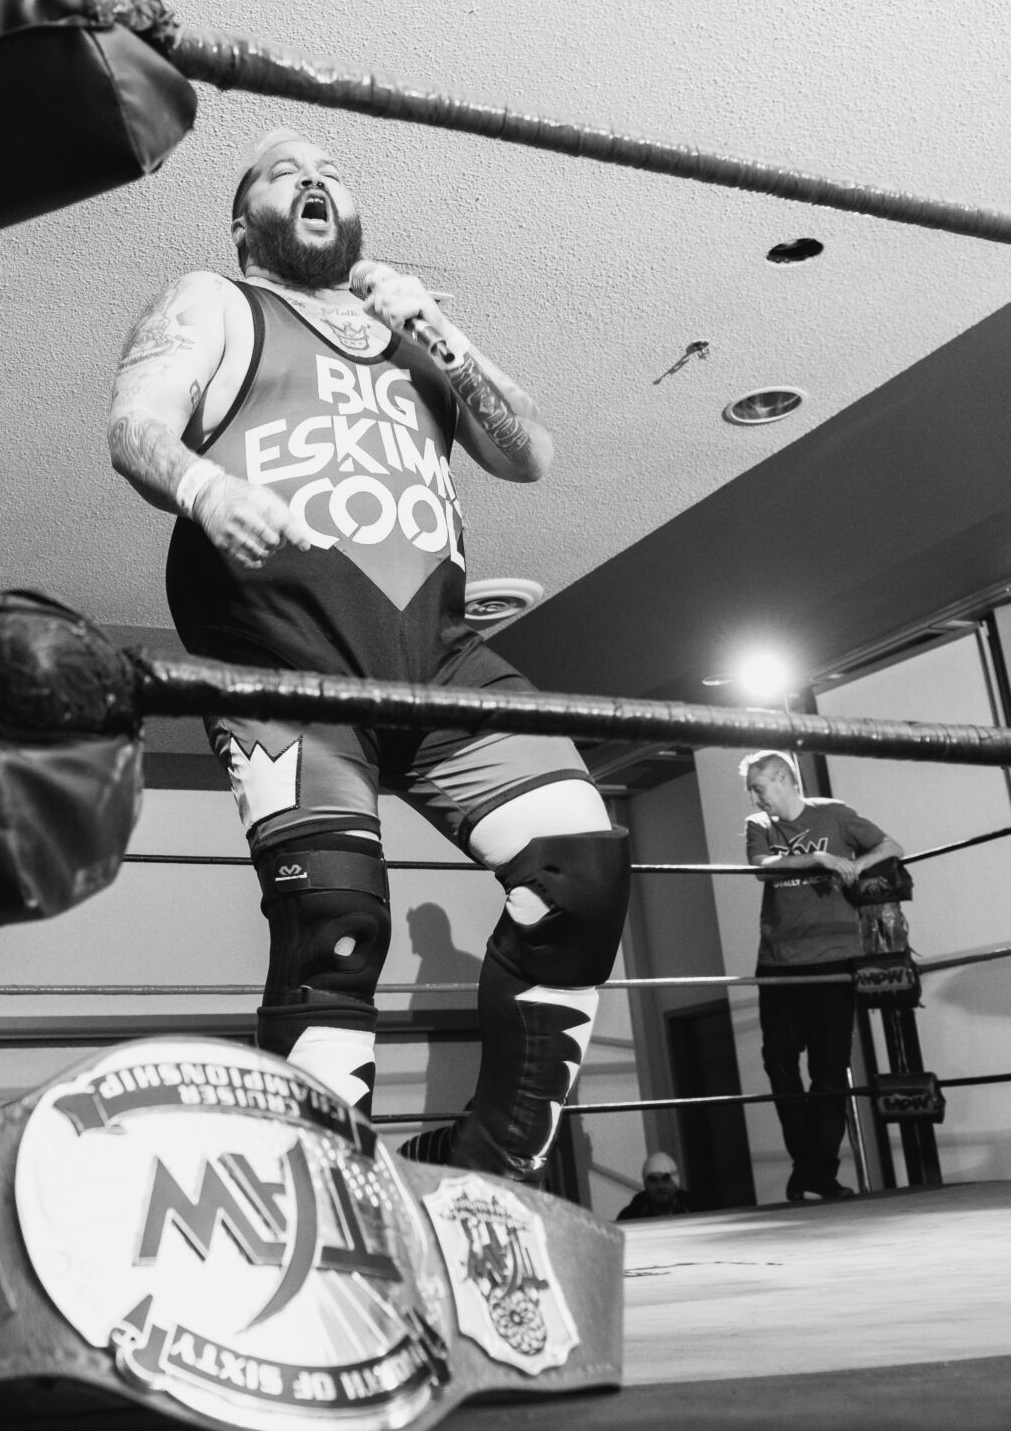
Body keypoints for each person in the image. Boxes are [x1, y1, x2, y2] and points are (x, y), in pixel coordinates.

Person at [107, 127, 628, 1185]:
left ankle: (493, 1162)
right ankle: (335, 1194)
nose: (313, 178)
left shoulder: (409, 331)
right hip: (283, 664)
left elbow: (529, 453)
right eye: (283, 171)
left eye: (331, 172)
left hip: (434, 659)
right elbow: (134, 424)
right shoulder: (216, 300)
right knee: (335, 927)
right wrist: (205, 488)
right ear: (244, 222)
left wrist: (432, 326)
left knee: (580, 870)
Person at [740, 750, 901, 1202]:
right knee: (779, 1065)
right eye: (752, 791)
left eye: (758, 788)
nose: (755, 799)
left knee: (828, 1069)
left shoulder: (834, 814)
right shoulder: (759, 825)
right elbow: (761, 867)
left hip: (833, 958)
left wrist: (856, 867)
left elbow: (892, 846)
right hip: (778, 961)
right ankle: (809, 1168)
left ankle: (816, 1172)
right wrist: (820, 860)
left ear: (783, 778)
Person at [615, 1151, 698, 1220]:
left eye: (665, 1179)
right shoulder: (630, 1217)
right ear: (645, 1184)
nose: (660, 1186)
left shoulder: (696, 1210)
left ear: (676, 1182)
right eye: (653, 1180)